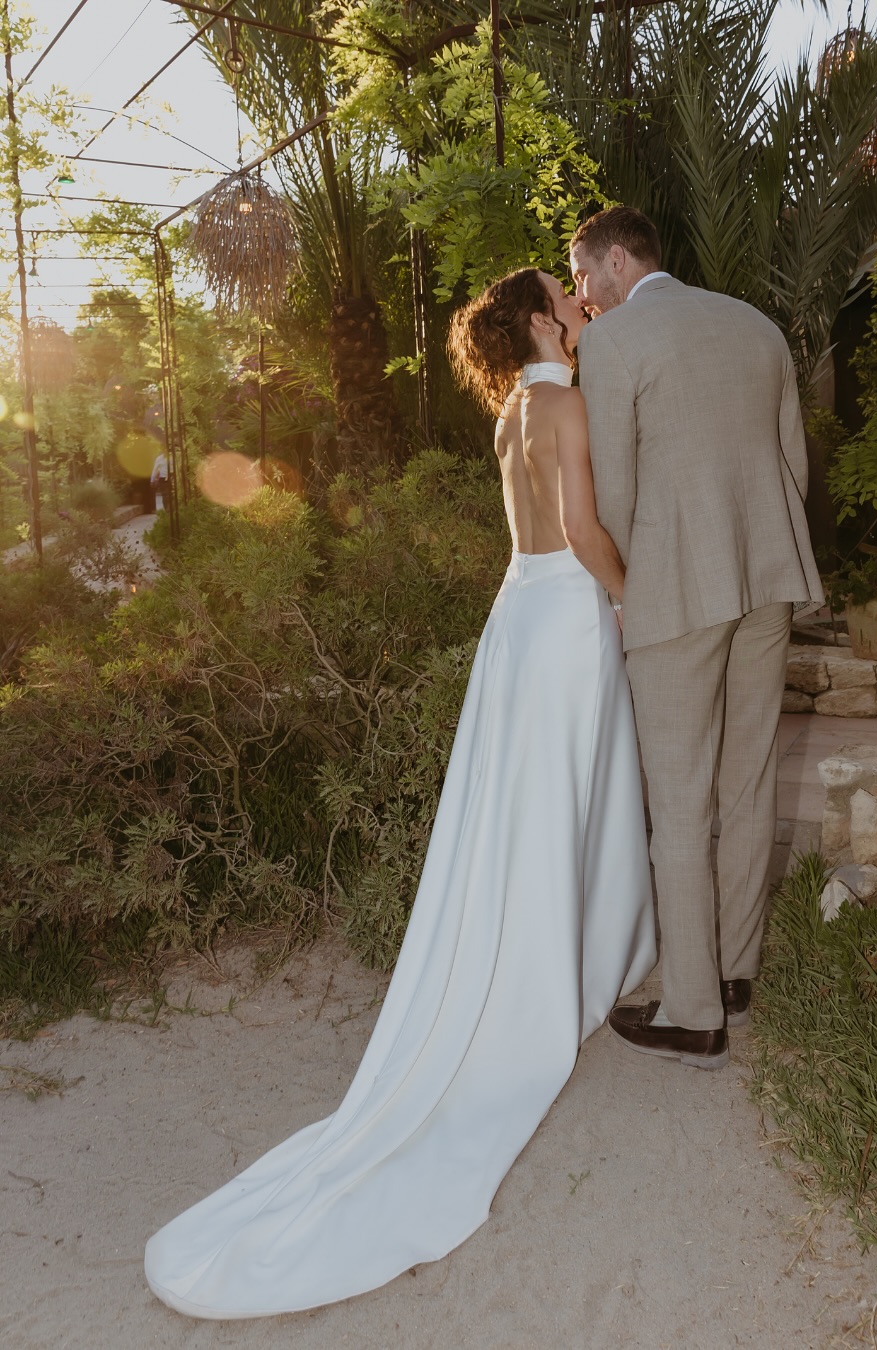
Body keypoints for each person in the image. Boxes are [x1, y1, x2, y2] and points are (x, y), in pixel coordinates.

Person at [142, 267, 656, 1320]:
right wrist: (636, 602)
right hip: (563, 620)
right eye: (566, 298)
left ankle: (561, 956)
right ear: (539, 321)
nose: (579, 305)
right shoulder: (567, 400)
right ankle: (573, 969)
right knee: (573, 797)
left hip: (516, 615)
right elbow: (589, 533)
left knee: (529, 806)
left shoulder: (515, 409)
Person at [570, 206, 823, 1069]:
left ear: (612, 262)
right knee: (749, 779)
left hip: (675, 592)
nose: (579, 294)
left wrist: (627, 595)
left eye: (580, 275)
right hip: (768, 579)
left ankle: (693, 1012)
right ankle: (736, 975)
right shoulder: (755, 326)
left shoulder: (611, 343)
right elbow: (793, 464)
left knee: (679, 801)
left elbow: (614, 495)